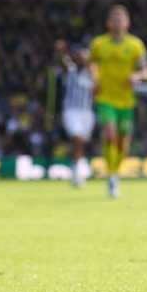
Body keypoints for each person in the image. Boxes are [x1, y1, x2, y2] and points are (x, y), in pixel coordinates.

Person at [88, 4, 147, 199]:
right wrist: (95, 78)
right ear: (108, 23)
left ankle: (115, 172)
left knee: (123, 144)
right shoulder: (99, 44)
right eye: (114, 19)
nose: (117, 22)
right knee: (110, 134)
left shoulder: (135, 45)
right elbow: (92, 64)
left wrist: (137, 76)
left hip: (126, 101)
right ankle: (112, 176)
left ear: (127, 23)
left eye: (120, 19)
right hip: (105, 98)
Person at [53, 40, 96, 189]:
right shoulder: (69, 70)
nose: (80, 57)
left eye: (83, 55)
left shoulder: (92, 73)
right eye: (78, 55)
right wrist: (60, 51)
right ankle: (77, 172)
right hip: (71, 111)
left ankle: (76, 167)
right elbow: (63, 61)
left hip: (87, 112)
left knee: (81, 142)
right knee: (77, 138)